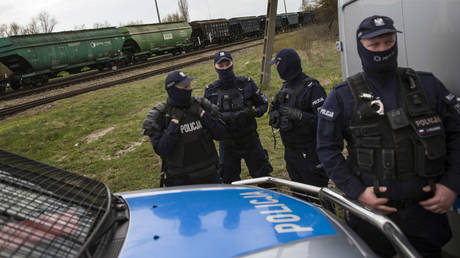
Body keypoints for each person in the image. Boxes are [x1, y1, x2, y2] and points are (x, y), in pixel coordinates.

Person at [316, 15, 460, 257]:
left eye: (388, 42)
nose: (382, 50)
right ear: (361, 47)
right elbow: (327, 149)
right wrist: (358, 192)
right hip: (372, 215)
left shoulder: (427, 85)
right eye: (374, 45)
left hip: (425, 213)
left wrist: (452, 186)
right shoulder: (342, 96)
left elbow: (457, 136)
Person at [142, 71, 227, 187]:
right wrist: (174, 123)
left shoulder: (200, 105)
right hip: (180, 179)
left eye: (189, 86)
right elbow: (162, 150)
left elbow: (221, 134)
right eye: (185, 87)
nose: (189, 89)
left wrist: (203, 115)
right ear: (173, 90)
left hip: (210, 173)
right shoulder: (161, 115)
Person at [204, 50, 273, 184]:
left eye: (227, 64)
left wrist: (252, 112)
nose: (225, 68)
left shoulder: (246, 83)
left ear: (232, 64)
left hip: (250, 139)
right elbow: (207, 119)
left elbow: (263, 104)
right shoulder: (211, 90)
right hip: (227, 143)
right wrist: (222, 119)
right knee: (228, 180)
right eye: (221, 65)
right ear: (215, 67)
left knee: (263, 176)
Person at [268, 48, 328, 187]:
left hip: (309, 152)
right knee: (298, 192)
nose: (277, 69)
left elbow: (324, 121)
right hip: (290, 151)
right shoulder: (285, 87)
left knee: (316, 192)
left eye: (277, 64)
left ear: (285, 66)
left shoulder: (312, 88)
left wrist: (299, 115)